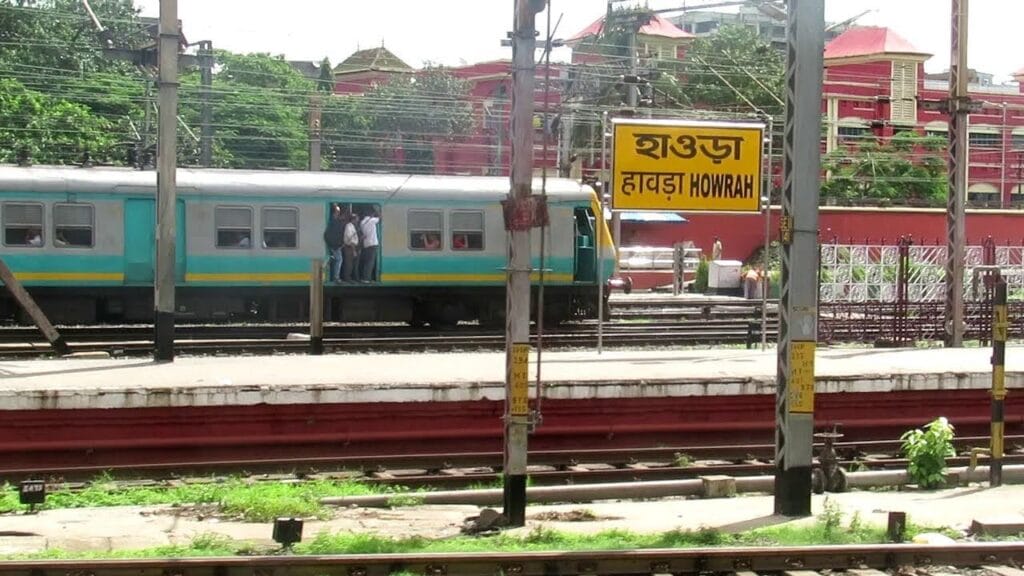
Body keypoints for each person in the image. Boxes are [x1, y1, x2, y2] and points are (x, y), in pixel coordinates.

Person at [323, 205, 345, 282]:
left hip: (334, 245)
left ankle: (333, 274)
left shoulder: (333, 222)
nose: (338, 214)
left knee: (336, 259)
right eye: (337, 213)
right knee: (339, 260)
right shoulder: (335, 223)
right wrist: (337, 244)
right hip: (335, 246)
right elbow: (333, 235)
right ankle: (336, 277)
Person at [359, 207, 380, 282]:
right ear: (370, 214)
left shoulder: (362, 222)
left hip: (366, 244)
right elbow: (380, 218)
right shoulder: (372, 220)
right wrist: (377, 212)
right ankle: (366, 278)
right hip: (373, 243)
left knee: (366, 262)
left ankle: (364, 277)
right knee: (370, 263)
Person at [341, 212, 360, 282]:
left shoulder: (352, 226)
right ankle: (347, 278)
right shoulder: (348, 226)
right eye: (357, 219)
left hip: (352, 247)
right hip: (350, 248)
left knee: (352, 264)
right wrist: (354, 250)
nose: (358, 220)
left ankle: (352, 277)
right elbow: (350, 239)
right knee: (349, 264)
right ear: (353, 219)